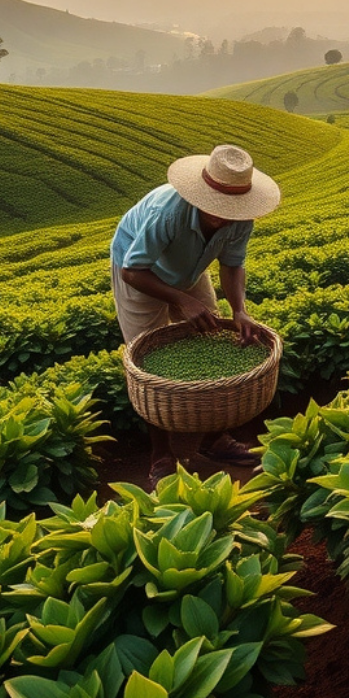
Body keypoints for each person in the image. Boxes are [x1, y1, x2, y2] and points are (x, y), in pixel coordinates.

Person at [110, 144, 281, 484]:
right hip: (141, 270)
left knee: (210, 336)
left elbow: (232, 263)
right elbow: (133, 270)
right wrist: (182, 301)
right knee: (149, 359)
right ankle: (161, 454)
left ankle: (213, 438)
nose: (223, 214)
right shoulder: (168, 213)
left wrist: (240, 311)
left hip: (190, 267)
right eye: (216, 207)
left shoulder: (241, 218)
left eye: (232, 208)